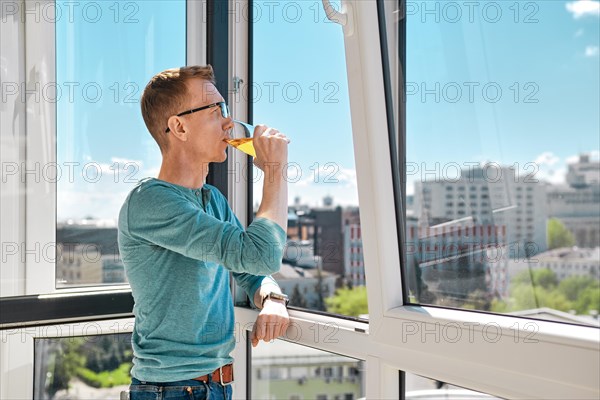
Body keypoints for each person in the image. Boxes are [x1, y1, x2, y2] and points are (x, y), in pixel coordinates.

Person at [118, 65, 291, 400]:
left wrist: (272, 297)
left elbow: (251, 269)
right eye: (216, 111)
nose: (229, 122)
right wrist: (274, 171)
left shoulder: (212, 200)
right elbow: (261, 254)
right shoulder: (151, 202)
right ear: (179, 126)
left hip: (216, 385)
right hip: (170, 390)